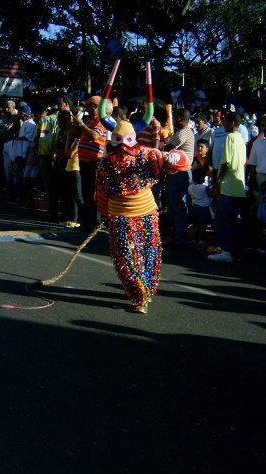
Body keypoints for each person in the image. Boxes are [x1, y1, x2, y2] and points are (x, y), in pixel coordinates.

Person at [96, 61, 191, 313]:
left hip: (147, 215)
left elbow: (181, 164)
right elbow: (102, 192)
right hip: (119, 218)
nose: (122, 150)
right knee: (125, 260)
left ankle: (143, 295)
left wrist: (174, 158)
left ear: (134, 141)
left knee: (149, 257)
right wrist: (104, 215)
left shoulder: (147, 155)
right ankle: (139, 295)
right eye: (117, 142)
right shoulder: (105, 164)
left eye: (126, 142)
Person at [208, 112, 247, 262]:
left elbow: (226, 163)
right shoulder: (241, 139)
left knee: (222, 220)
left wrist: (218, 183)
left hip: (228, 185)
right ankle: (234, 251)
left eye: (225, 121)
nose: (223, 124)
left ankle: (226, 250)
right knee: (233, 221)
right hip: (238, 186)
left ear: (231, 123)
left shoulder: (230, 137)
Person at [163, 108, 195, 248]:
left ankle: (180, 239)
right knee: (175, 205)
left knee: (178, 206)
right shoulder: (186, 132)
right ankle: (177, 236)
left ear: (181, 118)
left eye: (175, 117)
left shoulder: (183, 132)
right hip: (178, 172)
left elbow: (168, 147)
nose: (173, 120)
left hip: (179, 172)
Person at [76, 95, 108, 230]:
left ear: (95, 107)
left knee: (92, 192)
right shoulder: (90, 120)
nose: (87, 108)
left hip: (93, 161)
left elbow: (95, 135)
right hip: (85, 161)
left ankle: (93, 222)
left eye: (88, 106)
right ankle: (87, 222)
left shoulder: (101, 121)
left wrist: (81, 124)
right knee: (86, 193)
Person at [188, 168, 213, 246]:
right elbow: (212, 195)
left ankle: (193, 239)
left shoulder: (190, 187)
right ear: (202, 178)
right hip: (204, 208)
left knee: (195, 224)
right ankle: (201, 240)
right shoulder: (204, 188)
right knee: (203, 225)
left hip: (195, 207)